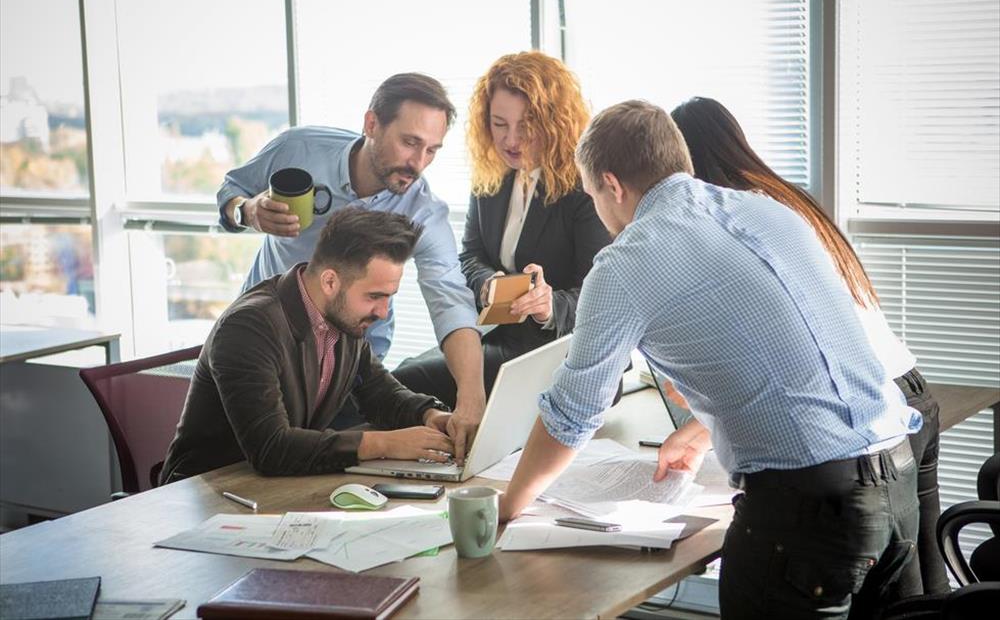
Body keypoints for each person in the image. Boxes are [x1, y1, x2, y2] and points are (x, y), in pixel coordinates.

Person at [498, 100, 923, 619]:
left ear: (611, 184)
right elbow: (796, 354)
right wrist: (702, 429)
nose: (602, 218)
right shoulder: (768, 211)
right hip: (897, 479)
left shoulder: (627, 260)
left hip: (808, 509)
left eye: (592, 197)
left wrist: (506, 507)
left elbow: (572, 414)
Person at [670, 95, 949, 598]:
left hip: (870, 409)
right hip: (909, 395)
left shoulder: (743, 223)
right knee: (927, 591)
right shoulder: (784, 201)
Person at [216, 73, 484, 461]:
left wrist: (469, 400)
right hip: (269, 344)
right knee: (269, 453)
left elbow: (450, 300)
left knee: (332, 465)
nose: (419, 163)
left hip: (347, 357)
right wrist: (247, 210)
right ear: (372, 123)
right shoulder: (299, 149)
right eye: (410, 142)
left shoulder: (423, 210)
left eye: (432, 150)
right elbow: (231, 189)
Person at [160, 209, 456, 483]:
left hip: (279, 486)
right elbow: (271, 448)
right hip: (204, 490)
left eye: (389, 297)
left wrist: (432, 416)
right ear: (330, 282)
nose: (382, 311)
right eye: (373, 296)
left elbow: (380, 394)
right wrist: (386, 443)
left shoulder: (344, 319)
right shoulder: (249, 326)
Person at [392, 51, 610, 405]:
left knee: (407, 383)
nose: (511, 141)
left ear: (555, 121)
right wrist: (488, 283)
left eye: (527, 125)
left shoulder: (584, 189)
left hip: (560, 354)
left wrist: (547, 305)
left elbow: (599, 296)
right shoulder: (491, 177)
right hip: (500, 335)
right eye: (499, 124)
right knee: (404, 376)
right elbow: (470, 256)